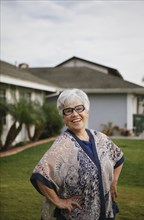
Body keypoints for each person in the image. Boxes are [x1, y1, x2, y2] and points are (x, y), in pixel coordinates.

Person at [30, 88, 124, 220]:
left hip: (105, 212)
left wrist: (113, 181)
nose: (74, 114)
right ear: (63, 117)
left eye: (79, 108)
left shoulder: (101, 138)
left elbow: (118, 157)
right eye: (68, 111)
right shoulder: (62, 146)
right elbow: (40, 177)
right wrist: (58, 201)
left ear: (87, 111)